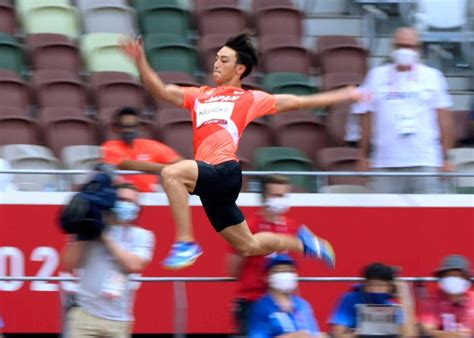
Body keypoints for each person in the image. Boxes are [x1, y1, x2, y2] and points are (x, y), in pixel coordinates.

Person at [121, 32, 363, 269]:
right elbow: (161, 91)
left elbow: (299, 102)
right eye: (216, 58)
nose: (216, 63)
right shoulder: (200, 96)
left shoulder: (249, 99)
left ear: (239, 69)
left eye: (224, 60)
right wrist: (140, 60)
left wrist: (344, 94)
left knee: (172, 174)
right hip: (209, 182)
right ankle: (306, 244)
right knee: (249, 246)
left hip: (224, 171)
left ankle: (186, 242)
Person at [354, 27, 454, 193]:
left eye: (410, 46)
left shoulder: (433, 76)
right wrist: (363, 155)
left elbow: (445, 121)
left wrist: (446, 158)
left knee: (428, 216)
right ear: (392, 47)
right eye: (400, 45)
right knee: (384, 217)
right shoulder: (375, 76)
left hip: (425, 160)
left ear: (419, 49)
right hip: (385, 162)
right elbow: (366, 117)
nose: (405, 50)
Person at [60, 183, 155, 338]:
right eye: (122, 199)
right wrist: (86, 233)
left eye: (131, 201)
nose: (126, 204)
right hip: (84, 316)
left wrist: (104, 236)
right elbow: (69, 263)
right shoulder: (89, 230)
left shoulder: (142, 235)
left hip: (119, 321)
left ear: (138, 208)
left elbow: (134, 265)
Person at [226, 175, 301, 336]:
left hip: (284, 302)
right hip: (252, 301)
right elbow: (233, 270)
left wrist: (295, 301)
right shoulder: (245, 227)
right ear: (263, 197)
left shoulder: (292, 227)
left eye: (284, 195)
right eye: (276, 195)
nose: (281, 200)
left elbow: (292, 268)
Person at [101, 106, 182, 192]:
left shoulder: (151, 145)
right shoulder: (109, 147)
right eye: (125, 126)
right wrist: (171, 169)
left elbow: (180, 162)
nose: (128, 130)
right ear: (117, 128)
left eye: (132, 126)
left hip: (150, 195)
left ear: (139, 127)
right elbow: (128, 165)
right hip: (123, 196)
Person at [329, 262, 416, 338]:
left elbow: (409, 334)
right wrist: (357, 335)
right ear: (364, 284)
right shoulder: (350, 299)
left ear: (390, 287)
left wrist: (404, 296)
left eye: (380, 286)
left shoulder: (393, 306)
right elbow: (337, 334)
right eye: (371, 285)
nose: (375, 290)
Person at [247, 254, 321, 338]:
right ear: (267, 277)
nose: (285, 275)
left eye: (289, 270)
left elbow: (314, 333)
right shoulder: (261, 307)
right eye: (278, 271)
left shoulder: (303, 305)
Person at [418, 255, 474, 337]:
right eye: (449, 275)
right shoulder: (431, 302)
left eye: (458, 276)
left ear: (467, 280)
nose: (454, 279)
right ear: (441, 279)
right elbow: (428, 330)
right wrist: (453, 335)